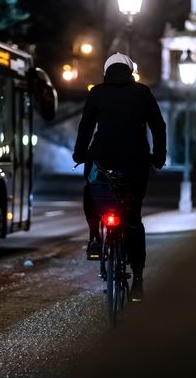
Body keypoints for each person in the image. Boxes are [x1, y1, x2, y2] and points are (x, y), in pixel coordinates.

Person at [73, 53, 167, 301]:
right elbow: (159, 126)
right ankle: (137, 281)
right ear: (129, 71)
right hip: (134, 162)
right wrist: (158, 157)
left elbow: (86, 126)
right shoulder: (142, 92)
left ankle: (94, 237)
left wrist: (79, 154)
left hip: (100, 160)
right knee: (134, 218)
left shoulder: (97, 93)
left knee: (91, 191)